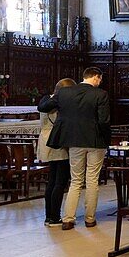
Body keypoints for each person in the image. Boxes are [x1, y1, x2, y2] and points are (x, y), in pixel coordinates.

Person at [39, 67, 110, 230]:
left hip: (74, 142)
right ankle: (90, 219)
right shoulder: (100, 94)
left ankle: (68, 219)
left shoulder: (65, 93)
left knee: (75, 180)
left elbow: (43, 107)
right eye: (100, 79)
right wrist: (106, 141)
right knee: (92, 180)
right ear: (96, 77)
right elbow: (104, 121)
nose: (100, 83)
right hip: (95, 142)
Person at [37, 78, 76, 227]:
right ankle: (55, 216)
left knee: (52, 180)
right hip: (58, 140)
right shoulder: (60, 102)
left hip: (46, 140)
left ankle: (49, 216)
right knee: (60, 181)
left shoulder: (46, 100)